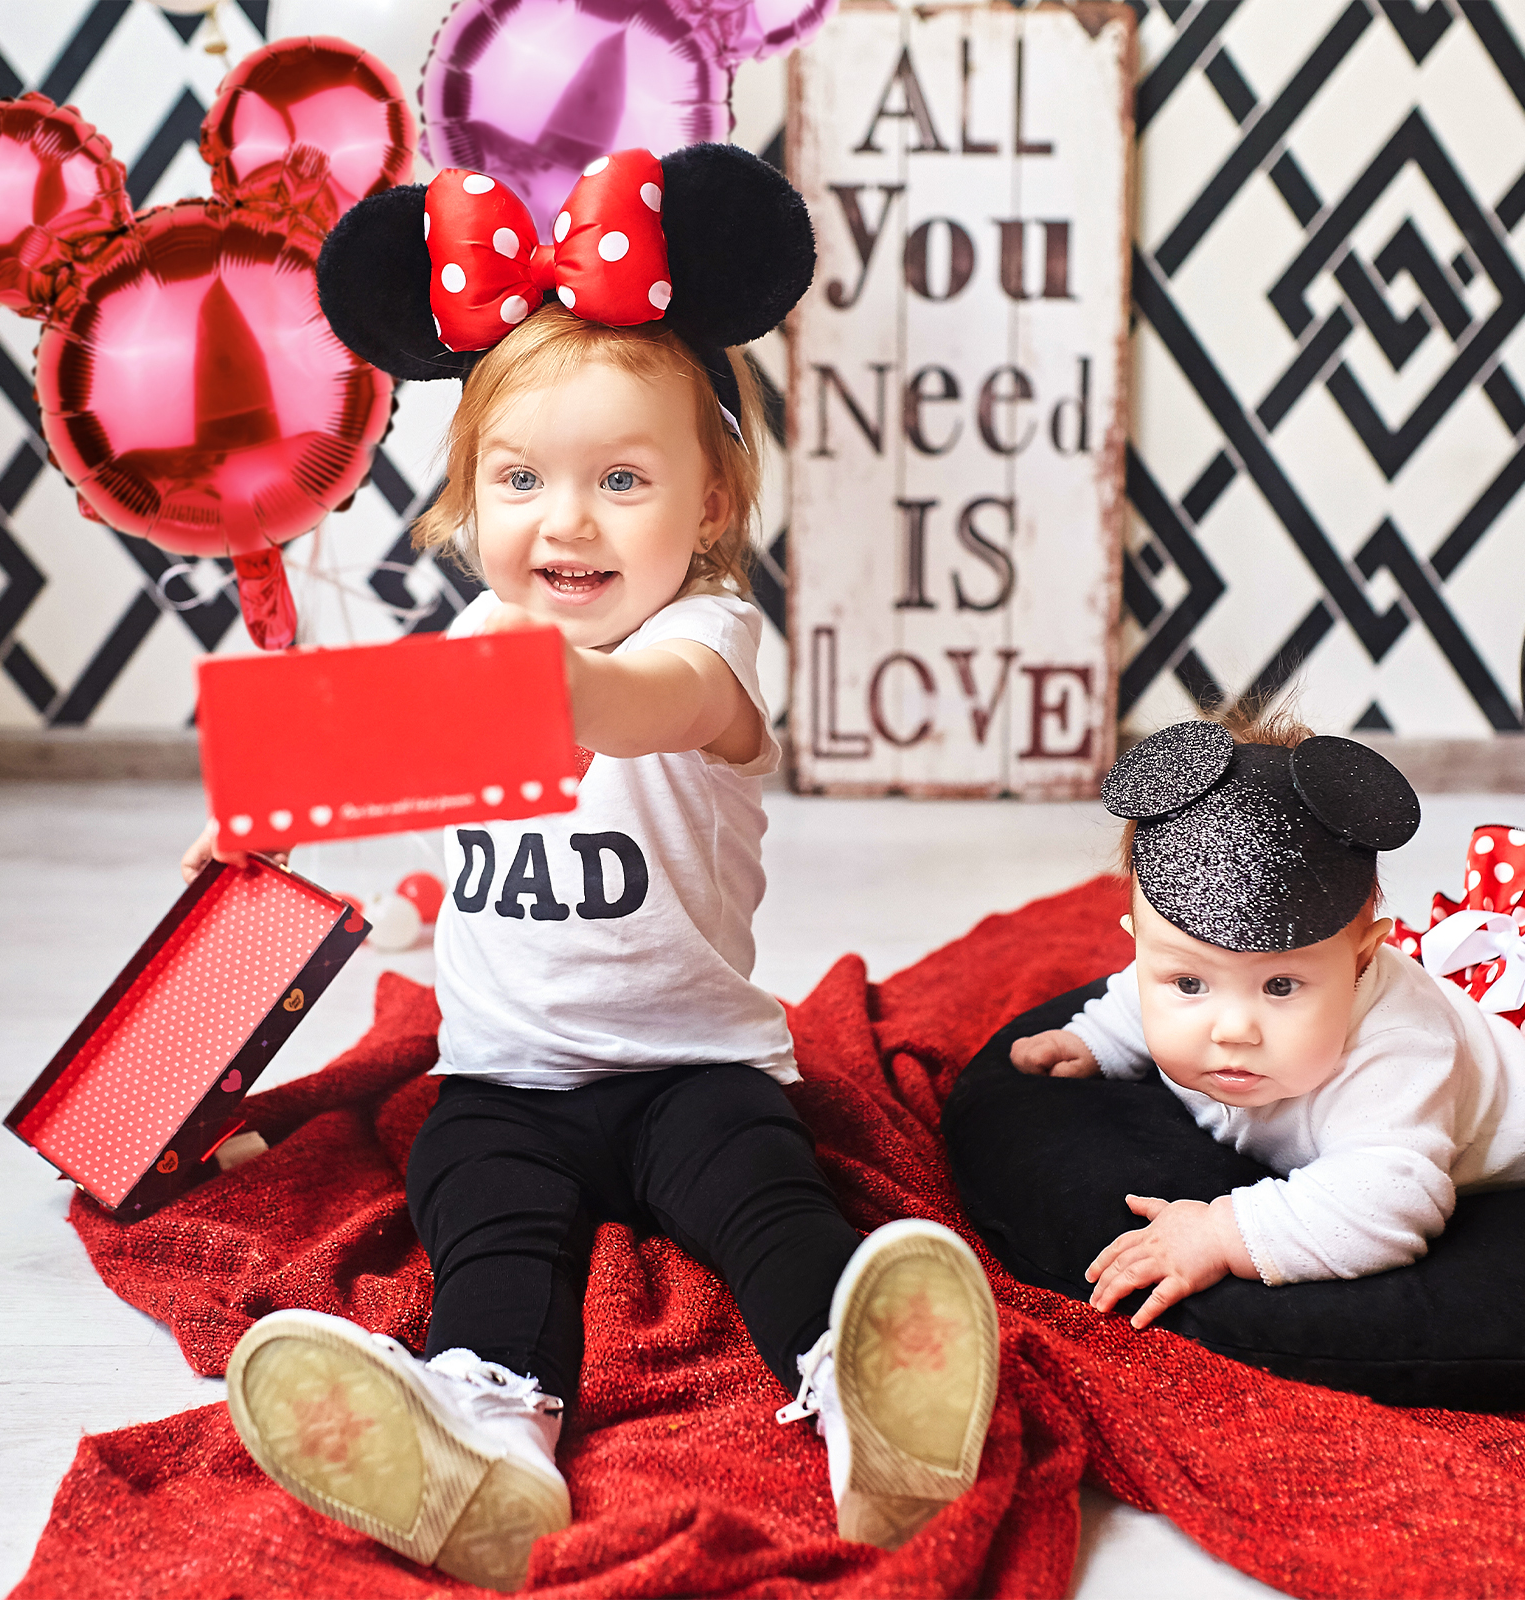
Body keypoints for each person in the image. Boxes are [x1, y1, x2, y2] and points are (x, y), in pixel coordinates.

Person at [182, 145, 998, 1593]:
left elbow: (646, 705)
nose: (566, 521)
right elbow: (377, 777)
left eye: (623, 479)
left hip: (695, 1066)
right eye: (521, 480)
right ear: (467, 498)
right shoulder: (468, 647)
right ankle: (485, 1439)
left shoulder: (710, 642)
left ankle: (864, 1392)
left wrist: (554, 682)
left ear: (711, 504)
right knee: (483, 1228)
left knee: (772, 1201)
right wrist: (269, 820)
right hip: (509, 1074)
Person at [1009, 712, 1525, 1332]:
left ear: (1362, 961)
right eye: (1190, 984)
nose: (1233, 1030)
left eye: (1281, 986)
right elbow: (1136, 990)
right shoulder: (1162, 976)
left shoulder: (1398, 1054)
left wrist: (1222, 1232)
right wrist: (1096, 1039)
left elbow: (1391, 1200)